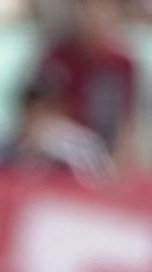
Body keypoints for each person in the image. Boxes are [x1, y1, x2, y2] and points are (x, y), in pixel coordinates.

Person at [30, 0, 139, 169]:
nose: (95, 16)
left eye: (104, 9)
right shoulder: (56, 57)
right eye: (88, 8)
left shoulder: (122, 64)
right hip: (59, 156)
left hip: (103, 157)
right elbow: (36, 120)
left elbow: (126, 126)